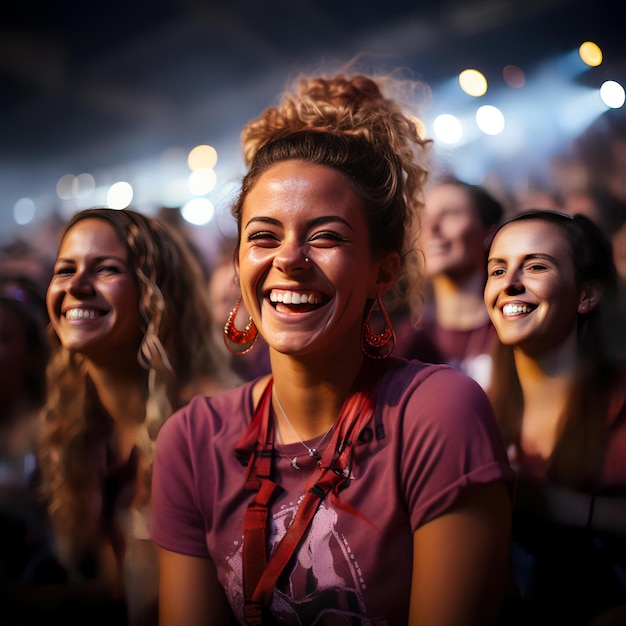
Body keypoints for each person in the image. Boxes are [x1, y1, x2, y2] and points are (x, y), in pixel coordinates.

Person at [151, 71, 515, 625]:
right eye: (264, 236)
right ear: (238, 264)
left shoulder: (439, 414)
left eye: (325, 236)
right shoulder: (192, 439)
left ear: (382, 271)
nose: (289, 259)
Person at [17, 207, 239, 626]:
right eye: (64, 270)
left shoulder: (209, 421)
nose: (77, 286)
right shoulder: (77, 417)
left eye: (105, 269)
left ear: (155, 294)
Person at [484, 209, 626, 625]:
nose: (510, 283)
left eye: (536, 266)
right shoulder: (473, 406)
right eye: (497, 269)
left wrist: (561, 506)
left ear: (586, 295)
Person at [395, 174, 504, 390]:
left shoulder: (510, 332)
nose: (432, 228)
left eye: (451, 214)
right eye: (423, 217)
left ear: (489, 233)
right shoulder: (405, 341)